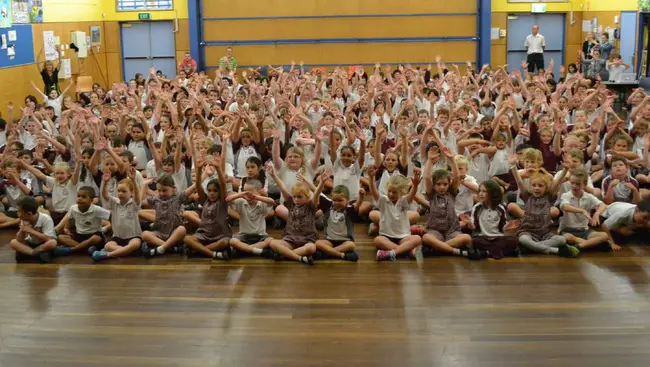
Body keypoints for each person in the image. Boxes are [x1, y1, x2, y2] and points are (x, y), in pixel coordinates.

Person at [509, 153, 580, 257]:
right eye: (534, 185)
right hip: (527, 232)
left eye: (540, 186)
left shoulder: (548, 196)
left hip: (545, 234)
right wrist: (513, 166)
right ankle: (555, 251)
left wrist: (565, 169)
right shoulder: (527, 196)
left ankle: (532, 247)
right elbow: (519, 181)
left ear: (546, 187)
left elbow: (557, 182)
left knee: (561, 239)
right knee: (523, 239)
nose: (536, 188)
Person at [267, 162, 322, 265]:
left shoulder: (311, 206)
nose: (296, 199)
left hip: (307, 239)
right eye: (295, 196)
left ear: (307, 197)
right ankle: (299, 258)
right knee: (273, 243)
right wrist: (273, 175)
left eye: (299, 197)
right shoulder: (291, 204)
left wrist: (322, 182)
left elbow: (317, 194)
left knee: (311, 248)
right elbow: (283, 188)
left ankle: (284, 255)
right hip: (290, 239)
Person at [94, 166, 142, 261]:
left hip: (133, 237)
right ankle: (126, 252)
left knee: (136, 243)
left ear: (131, 193)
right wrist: (105, 182)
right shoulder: (114, 202)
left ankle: (108, 255)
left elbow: (137, 196)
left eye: (124, 191)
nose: (120, 193)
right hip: (117, 238)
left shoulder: (133, 204)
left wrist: (133, 180)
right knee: (108, 245)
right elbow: (104, 195)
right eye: (119, 191)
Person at [558, 168, 610, 251]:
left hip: (584, 230)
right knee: (567, 238)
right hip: (567, 230)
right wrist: (582, 210)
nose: (574, 186)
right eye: (572, 183)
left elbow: (603, 205)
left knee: (604, 235)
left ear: (584, 184)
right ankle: (591, 244)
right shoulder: (566, 195)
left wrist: (597, 214)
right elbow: (564, 206)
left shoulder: (588, 196)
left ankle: (578, 246)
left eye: (578, 184)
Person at [56, 186, 111, 256]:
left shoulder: (97, 209)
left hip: (93, 234)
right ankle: (86, 249)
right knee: (60, 237)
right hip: (79, 235)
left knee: (96, 238)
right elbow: (69, 218)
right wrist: (66, 228)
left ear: (91, 200)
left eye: (84, 197)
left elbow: (111, 216)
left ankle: (72, 250)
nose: (80, 199)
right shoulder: (73, 208)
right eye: (78, 196)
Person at [10, 197, 57, 263]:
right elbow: (19, 240)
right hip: (30, 244)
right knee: (13, 242)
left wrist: (31, 231)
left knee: (52, 243)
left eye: (19, 212)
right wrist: (22, 230)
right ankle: (35, 254)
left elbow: (48, 238)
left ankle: (26, 254)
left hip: (42, 244)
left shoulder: (46, 219)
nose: (17, 214)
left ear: (29, 214)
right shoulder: (24, 219)